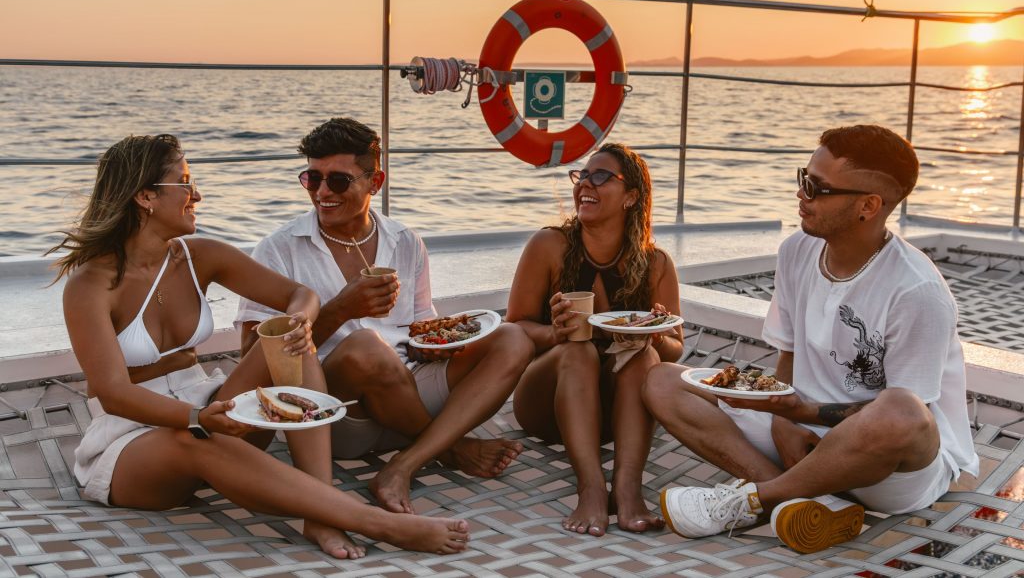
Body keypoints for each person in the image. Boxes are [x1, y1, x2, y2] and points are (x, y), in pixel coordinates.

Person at [54, 134, 469, 560]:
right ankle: (380, 524)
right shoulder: (90, 285)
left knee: (288, 341)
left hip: (207, 406)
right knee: (194, 439)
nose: (197, 195)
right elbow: (113, 393)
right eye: (185, 182)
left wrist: (300, 323)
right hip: (133, 438)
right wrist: (197, 418)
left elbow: (300, 295)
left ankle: (320, 513)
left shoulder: (200, 256)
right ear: (146, 196)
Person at [644, 124, 980, 554]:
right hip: (800, 436)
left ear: (868, 206)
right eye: (803, 177)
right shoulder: (797, 251)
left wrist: (800, 412)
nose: (801, 194)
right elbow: (788, 353)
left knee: (901, 410)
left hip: (889, 472)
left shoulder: (917, 291)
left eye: (817, 187)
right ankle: (811, 502)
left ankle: (753, 500)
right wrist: (783, 421)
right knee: (663, 381)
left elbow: (910, 418)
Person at [236, 117, 534, 514]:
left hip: (407, 394)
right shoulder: (278, 249)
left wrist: (433, 346)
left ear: (375, 182)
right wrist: (340, 310)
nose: (322, 192)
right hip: (337, 415)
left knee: (513, 338)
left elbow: (419, 328)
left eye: (338, 181)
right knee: (365, 348)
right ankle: (451, 449)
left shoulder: (404, 241)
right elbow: (250, 356)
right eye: (312, 178)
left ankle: (405, 463)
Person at [505, 143, 683, 536]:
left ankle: (627, 489)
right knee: (579, 350)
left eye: (600, 177)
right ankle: (591, 489)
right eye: (582, 175)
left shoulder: (656, 264)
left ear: (631, 197)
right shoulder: (549, 246)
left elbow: (675, 347)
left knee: (642, 358)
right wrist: (554, 333)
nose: (585, 184)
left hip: (617, 417)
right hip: (545, 403)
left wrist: (654, 335)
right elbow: (514, 328)